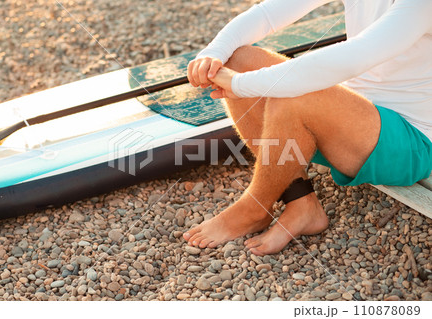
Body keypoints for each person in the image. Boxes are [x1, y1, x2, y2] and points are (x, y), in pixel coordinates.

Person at [184, 0, 432, 256]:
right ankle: (300, 202)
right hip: (350, 120)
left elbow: (354, 56)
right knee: (236, 58)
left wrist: (239, 84)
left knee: (295, 95)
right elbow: (268, 14)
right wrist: (214, 52)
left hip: (409, 142)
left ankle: (255, 207)